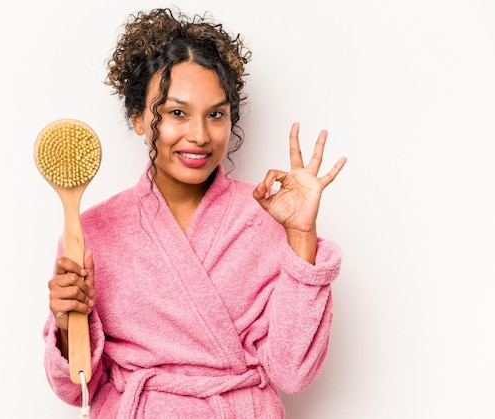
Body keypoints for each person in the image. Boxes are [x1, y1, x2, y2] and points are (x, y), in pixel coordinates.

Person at [43, 7, 347, 418]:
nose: (200, 135)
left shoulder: (268, 216)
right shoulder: (91, 230)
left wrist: (302, 234)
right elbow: (75, 387)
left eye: (216, 115)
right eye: (177, 113)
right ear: (137, 117)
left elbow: (293, 374)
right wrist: (66, 325)